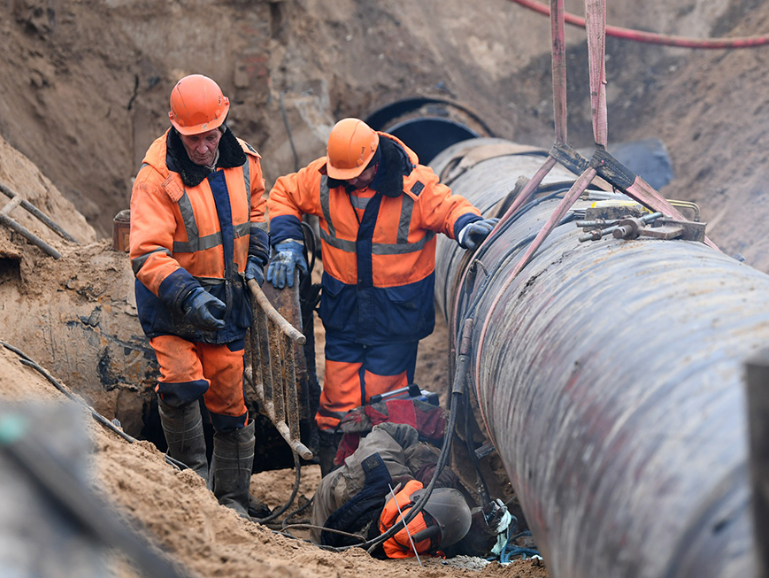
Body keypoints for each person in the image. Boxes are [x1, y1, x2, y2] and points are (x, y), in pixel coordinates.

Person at [266, 118, 498, 474]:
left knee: (385, 404)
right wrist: (287, 241)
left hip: (395, 320)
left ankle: (385, 476)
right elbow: (284, 192)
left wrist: (466, 224)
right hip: (345, 313)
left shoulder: (414, 186)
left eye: (357, 174)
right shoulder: (326, 178)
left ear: (375, 160)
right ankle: (336, 478)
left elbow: (448, 207)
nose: (350, 182)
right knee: (337, 403)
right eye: (344, 175)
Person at [129, 74, 269, 516]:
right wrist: (189, 296)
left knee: (230, 405)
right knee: (180, 384)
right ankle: (191, 489)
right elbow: (147, 253)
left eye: (211, 136)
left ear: (222, 124)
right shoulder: (156, 176)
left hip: (226, 304)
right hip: (173, 307)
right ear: (176, 127)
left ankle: (233, 500)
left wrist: (258, 254)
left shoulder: (245, 162)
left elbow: (259, 209)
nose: (204, 147)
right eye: (194, 139)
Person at [309, 419, 507, 559]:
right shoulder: (419, 544)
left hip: (344, 509)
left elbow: (384, 430)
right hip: (332, 515)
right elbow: (452, 545)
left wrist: (418, 462)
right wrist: (482, 531)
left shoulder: (381, 466)